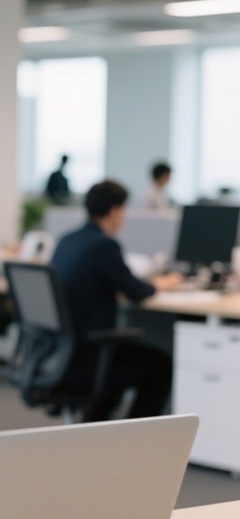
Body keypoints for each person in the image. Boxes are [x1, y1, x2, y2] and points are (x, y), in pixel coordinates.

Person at [51, 179, 183, 422]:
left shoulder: (67, 239)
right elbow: (138, 292)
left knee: (123, 362)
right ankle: (137, 439)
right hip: (88, 352)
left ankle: (97, 428)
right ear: (114, 210)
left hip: (60, 351)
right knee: (160, 365)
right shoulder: (104, 245)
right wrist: (162, 283)